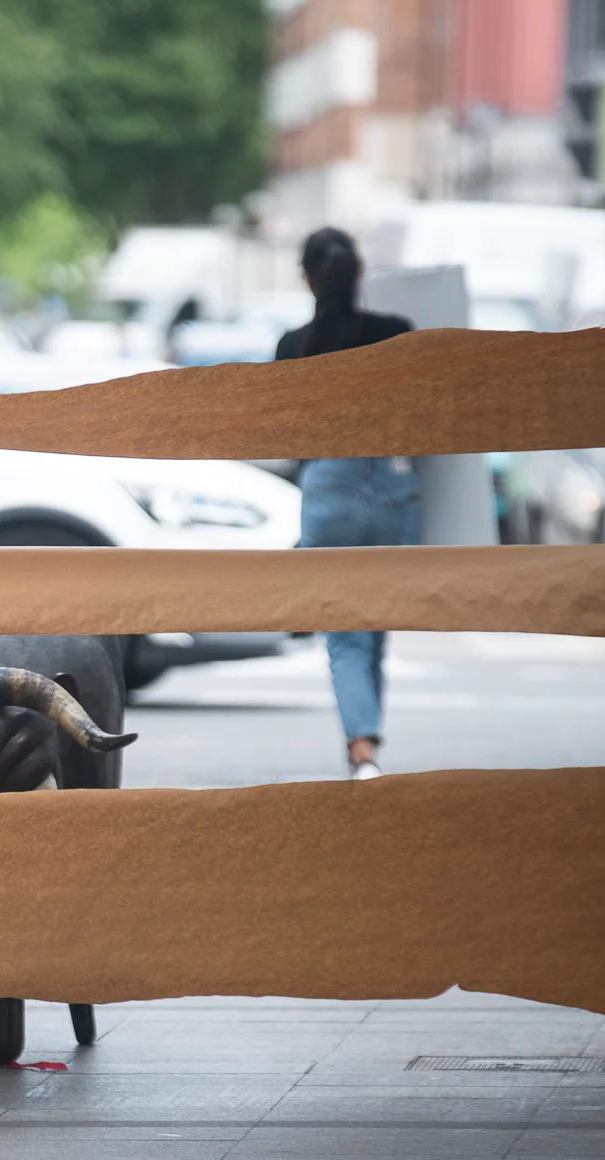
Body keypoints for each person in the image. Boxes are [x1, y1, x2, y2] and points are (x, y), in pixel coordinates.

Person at [274, 228, 417, 780]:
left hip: (329, 487)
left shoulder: (294, 345)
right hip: (394, 485)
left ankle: (362, 750)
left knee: (346, 634)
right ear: (359, 274)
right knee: (375, 626)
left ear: (308, 280)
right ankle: (366, 747)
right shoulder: (395, 334)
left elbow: (282, 437)